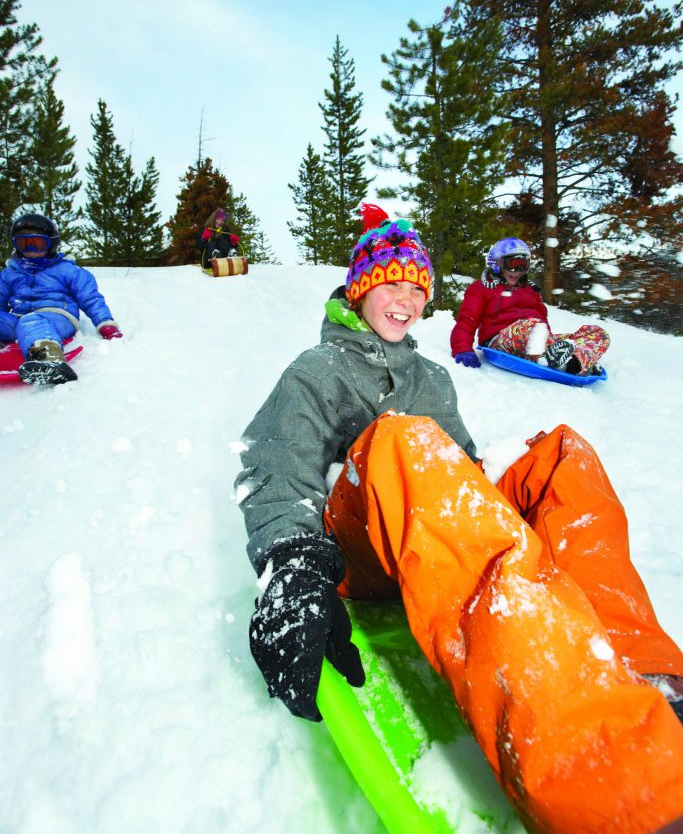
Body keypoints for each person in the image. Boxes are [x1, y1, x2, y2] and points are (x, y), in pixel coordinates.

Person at [236, 205, 683, 834]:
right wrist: (292, 564)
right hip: (360, 547)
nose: (405, 299)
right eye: (390, 283)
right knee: (402, 438)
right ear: (361, 288)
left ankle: (651, 678)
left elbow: (462, 476)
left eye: (417, 288)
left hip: (435, 532)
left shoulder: (433, 379)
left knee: (561, 456)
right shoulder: (317, 370)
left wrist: (509, 490)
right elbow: (275, 460)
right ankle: (608, 764)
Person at [450, 237, 610, 375]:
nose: (518, 271)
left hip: (535, 337)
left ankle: (572, 363)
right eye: (513, 264)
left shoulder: (530, 290)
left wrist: (551, 341)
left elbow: (543, 323)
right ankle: (556, 358)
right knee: (529, 327)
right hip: (501, 340)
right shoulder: (482, 288)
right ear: (497, 263)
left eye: (523, 265)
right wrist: (462, 348)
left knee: (597, 333)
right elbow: (467, 319)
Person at [0, 213, 122, 386]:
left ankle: (48, 358)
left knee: (32, 320)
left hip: (58, 318)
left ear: (51, 243)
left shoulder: (68, 271)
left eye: (37, 243)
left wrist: (105, 323)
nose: (30, 250)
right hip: (19, 320)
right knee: (24, 321)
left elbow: (90, 298)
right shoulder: (10, 273)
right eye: (23, 243)